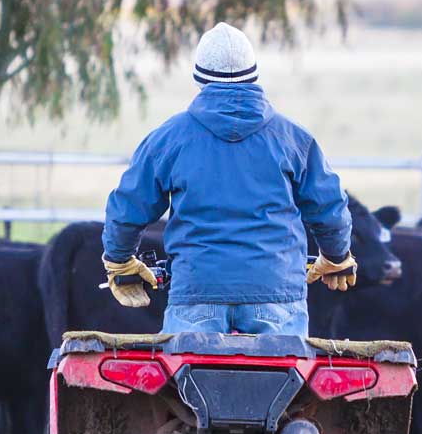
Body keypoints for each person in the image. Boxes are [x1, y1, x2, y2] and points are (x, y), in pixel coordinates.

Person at [100, 22, 357, 336]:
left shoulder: (169, 138)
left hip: (196, 293)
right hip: (277, 295)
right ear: (254, 75)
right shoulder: (293, 139)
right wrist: (335, 256)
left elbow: (128, 208)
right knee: (282, 384)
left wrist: (120, 261)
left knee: (189, 385)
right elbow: (329, 208)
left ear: (199, 79)